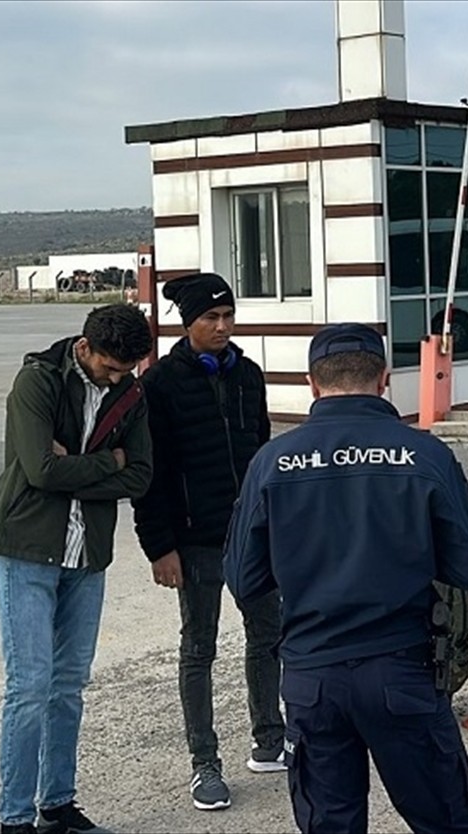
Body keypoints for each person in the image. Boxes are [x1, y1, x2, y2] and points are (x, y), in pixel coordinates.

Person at [224, 323, 468, 834]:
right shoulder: (423, 455)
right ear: (384, 379)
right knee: (447, 822)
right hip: (401, 669)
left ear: (312, 383)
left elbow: (243, 577)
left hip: (312, 679)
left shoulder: (272, 462)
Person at [0, 304, 154, 834]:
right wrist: (111, 462)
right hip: (26, 550)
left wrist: (81, 468)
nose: (118, 376)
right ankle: (15, 819)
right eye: (110, 367)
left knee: (68, 686)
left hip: (87, 555)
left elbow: (142, 475)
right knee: (29, 687)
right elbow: (38, 470)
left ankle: (57, 805)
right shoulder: (37, 382)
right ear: (85, 346)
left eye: (128, 369)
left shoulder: (130, 393)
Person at [131, 272, 284, 812]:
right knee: (199, 648)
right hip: (193, 543)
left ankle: (270, 740)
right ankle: (205, 764)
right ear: (187, 323)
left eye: (227, 317)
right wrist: (158, 547)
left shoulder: (250, 376)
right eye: (209, 319)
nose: (221, 328)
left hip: (252, 537)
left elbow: (263, 456)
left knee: (269, 636)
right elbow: (151, 475)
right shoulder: (160, 385)